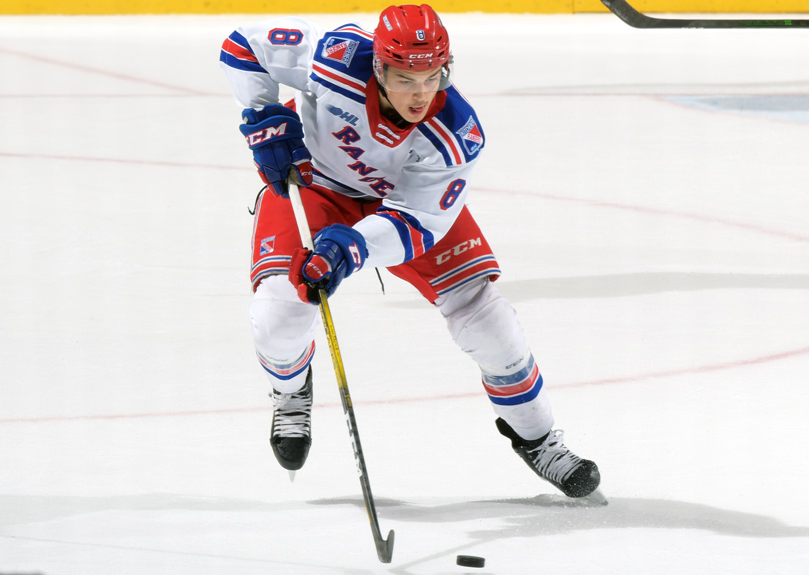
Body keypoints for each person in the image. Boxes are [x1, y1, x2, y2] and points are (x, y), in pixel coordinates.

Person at [220, 4, 600, 498]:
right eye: (405, 79)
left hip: (401, 207)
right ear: (378, 67)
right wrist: (262, 114)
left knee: (488, 323)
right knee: (278, 319)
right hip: (314, 183)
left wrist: (353, 248)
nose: (420, 94)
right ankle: (291, 391)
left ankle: (539, 438)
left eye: (432, 77)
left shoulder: (456, 134)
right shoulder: (336, 56)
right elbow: (243, 45)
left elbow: (417, 223)